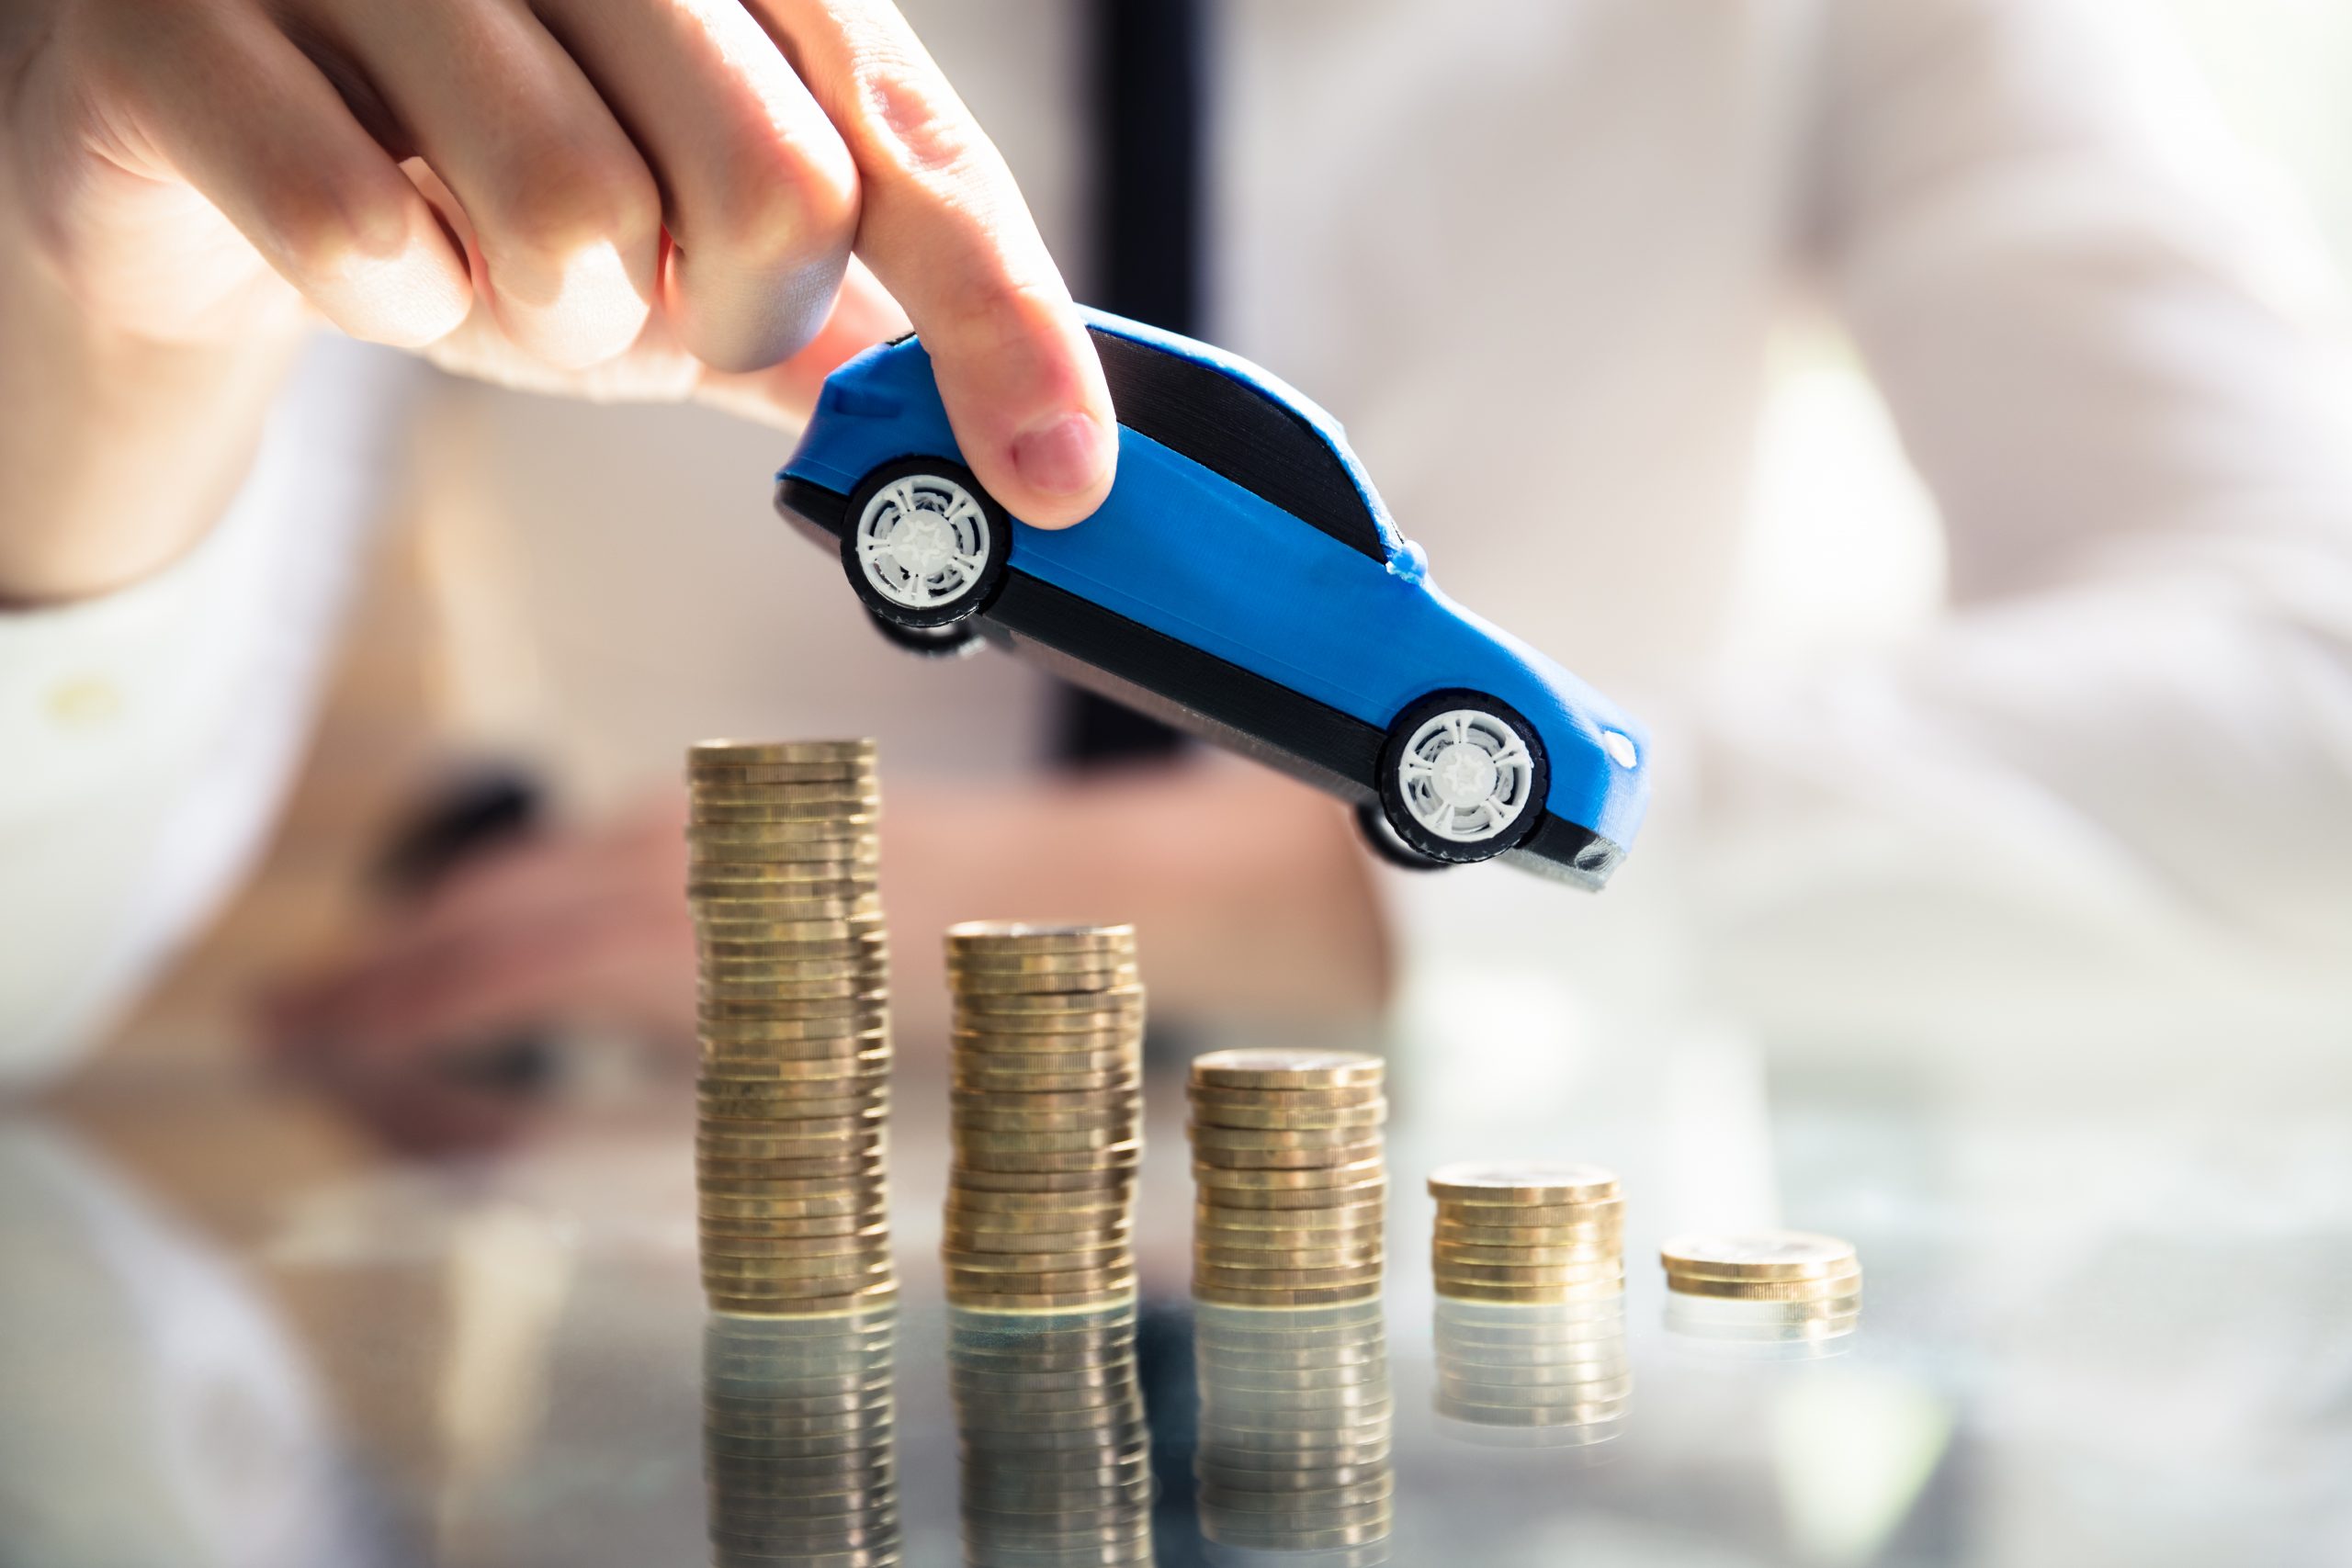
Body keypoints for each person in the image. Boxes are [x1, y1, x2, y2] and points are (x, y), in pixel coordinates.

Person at [6, 0, 2350, 1093]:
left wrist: (1208, 894)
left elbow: (2311, 716)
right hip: (719, 1377)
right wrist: (98, 314)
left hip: (1554, 1383)